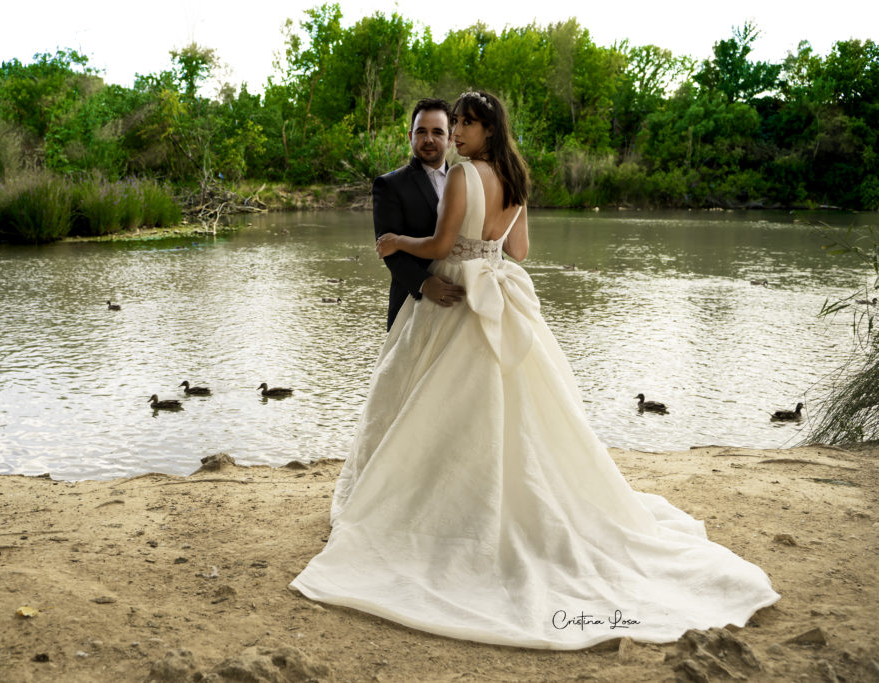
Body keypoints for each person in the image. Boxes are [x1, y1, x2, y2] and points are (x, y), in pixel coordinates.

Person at [290, 90, 779, 649]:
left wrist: (400, 241)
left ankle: (440, 510)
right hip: (498, 286)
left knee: (441, 407)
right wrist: (483, 246)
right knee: (511, 413)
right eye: (455, 126)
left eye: (465, 126)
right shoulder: (516, 180)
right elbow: (517, 250)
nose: (455, 135)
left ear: (487, 130)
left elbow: (445, 243)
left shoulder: (462, 176)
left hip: (457, 301)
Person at [373, 97, 466, 330]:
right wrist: (424, 284)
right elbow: (388, 249)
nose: (429, 139)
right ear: (410, 136)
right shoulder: (389, 185)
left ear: (451, 138)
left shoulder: (468, 180)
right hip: (412, 302)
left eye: (437, 132)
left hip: (464, 302)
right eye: (421, 131)